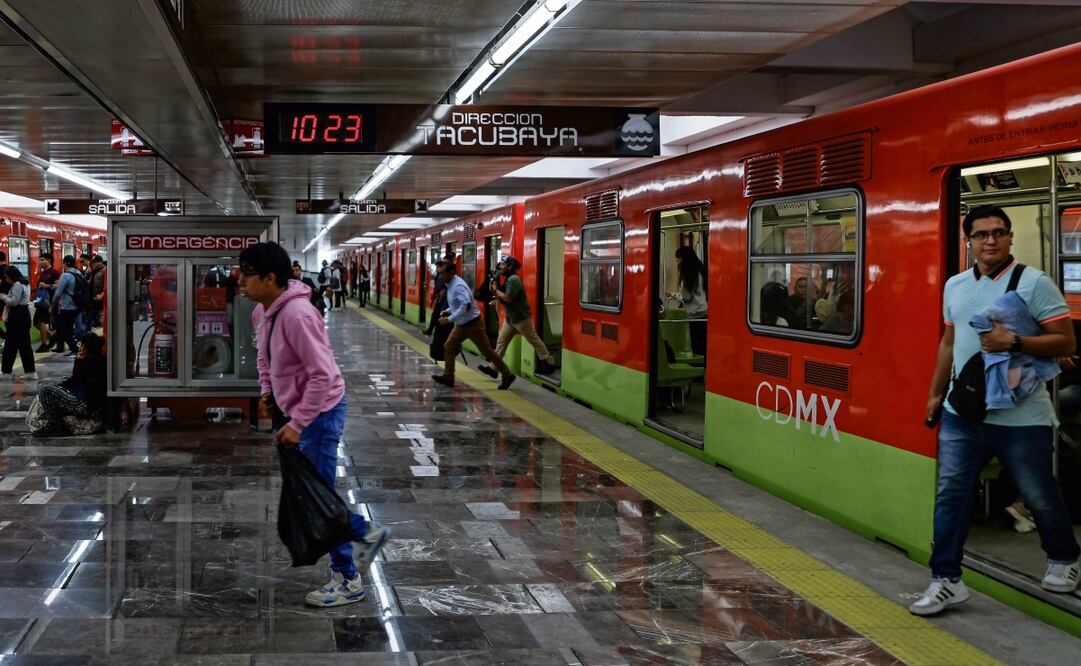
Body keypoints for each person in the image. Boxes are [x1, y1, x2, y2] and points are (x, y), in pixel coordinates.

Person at [914, 205, 1080, 616]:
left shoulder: (1034, 283)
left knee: (1040, 495)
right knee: (951, 495)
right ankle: (946, 580)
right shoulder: (954, 286)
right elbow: (949, 344)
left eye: (999, 233)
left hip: (1022, 417)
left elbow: (1065, 343)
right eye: (982, 234)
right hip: (963, 412)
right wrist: (936, 393)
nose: (991, 240)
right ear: (968, 241)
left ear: (1010, 238)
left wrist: (1015, 344)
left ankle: (1065, 559)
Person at [240, 241, 388, 608]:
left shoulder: (298, 315)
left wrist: (299, 423)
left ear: (269, 277)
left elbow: (322, 375)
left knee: (316, 497)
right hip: (297, 410)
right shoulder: (262, 312)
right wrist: (267, 391)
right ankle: (358, 545)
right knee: (312, 494)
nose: (239, 281)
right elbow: (265, 358)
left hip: (320, 413)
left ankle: (351, 572)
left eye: (246, 274)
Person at [431, 261, 515, 390]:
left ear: (451, 273)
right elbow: (458, 303)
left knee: (487, 351)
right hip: (461, 324)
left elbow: (466, 305)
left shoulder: (458, 285)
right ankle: (448, 377)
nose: (439, 276)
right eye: (439, 273)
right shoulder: (451, 283)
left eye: (442, 273)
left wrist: (449, 319)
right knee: (449, 346)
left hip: (473, 325)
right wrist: (448, 310)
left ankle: (507, 374)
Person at [477, 256, 556, 378]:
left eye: (503, 265)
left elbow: (508, 298)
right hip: (511, 319)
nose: (500, 267)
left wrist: (496, 291)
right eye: (501, 265)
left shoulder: (514, 280)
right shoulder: (508, 279)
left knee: (534, 340)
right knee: (501, 343)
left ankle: (548, 362)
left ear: (510, 267)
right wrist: (494, 291)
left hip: (521, 318)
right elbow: (502, 297)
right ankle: (493, 368)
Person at [31, 332, 107, 435]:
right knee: (59, 383)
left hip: (85, 405)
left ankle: (55, 425)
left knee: (44, 389)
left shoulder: (88, 362)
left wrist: (78, 361)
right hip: (91, 404)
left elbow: (74, 381)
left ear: (85, 346)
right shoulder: (99, 359)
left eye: (81, 344)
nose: (79, 346)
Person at [2, 265, 35, 380]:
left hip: (17, 315)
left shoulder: (17, 284)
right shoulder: (26, 283)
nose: (6, 280)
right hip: (24, 315)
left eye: (7, 277)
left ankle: (6, 372)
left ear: (12, 276)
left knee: (10, 343)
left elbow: (14, 302)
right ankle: (30, 372)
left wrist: (3, 297)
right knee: (25, 344)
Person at [674, 246, 708, 353]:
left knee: (696, 346)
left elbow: (686, 297)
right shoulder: (700, 270)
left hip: (694, 314)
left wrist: (673, 295)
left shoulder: (689, 273)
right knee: (702, 346)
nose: (678, 261)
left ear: (684, 259)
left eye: (679, 258)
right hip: (704, 311)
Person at [51, 255, 82, 356]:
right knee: (68, 328)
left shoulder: (65, 276)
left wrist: (53, 306)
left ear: (65, 263)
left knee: (62, 328)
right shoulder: (78, 273)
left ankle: (74, 347)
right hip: (77, 306)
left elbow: (58, 294)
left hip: (67, 306)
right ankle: (74, 348)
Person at [34, 255, 59, 352]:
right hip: (41, 301)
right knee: (36, 322)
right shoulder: (43, 273)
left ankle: (44, 343)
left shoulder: (54, 273)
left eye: (42, 260)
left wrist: (47, 286)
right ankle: (52, 336)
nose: (40, 262)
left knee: (41, 321)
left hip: (48, 301)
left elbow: (58, 285)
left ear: (49, 260)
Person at [87, 256, 106, 328]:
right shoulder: (94, 271)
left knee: (90, 316)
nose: (93, 264)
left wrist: (102, 295)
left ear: (99, 262)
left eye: (94, 262)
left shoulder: (105, 271)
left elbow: (108, 285)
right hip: (93, 298)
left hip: (99, 298)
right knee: (92, 316)